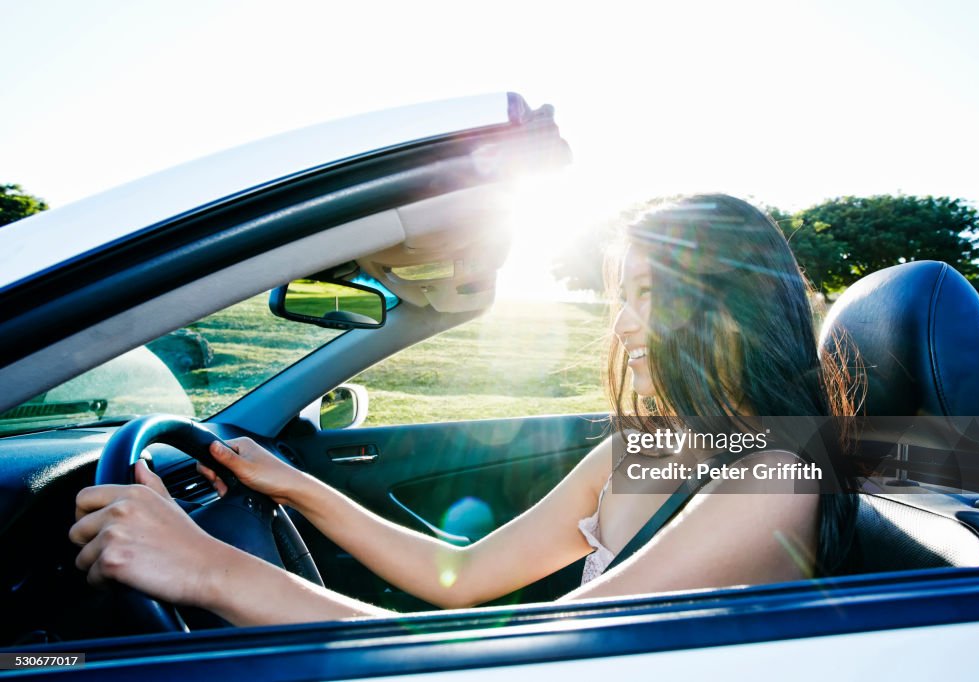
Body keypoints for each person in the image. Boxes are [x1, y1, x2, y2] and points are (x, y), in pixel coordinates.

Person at [69, 194, 859, 626]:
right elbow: (461, 578)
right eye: (622, 297)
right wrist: (298, 487)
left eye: (650, 297)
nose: (621, 325)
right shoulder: (642, 455)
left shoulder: (778, 477)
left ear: (733, 308)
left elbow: (542, 657)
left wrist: (207, 566)